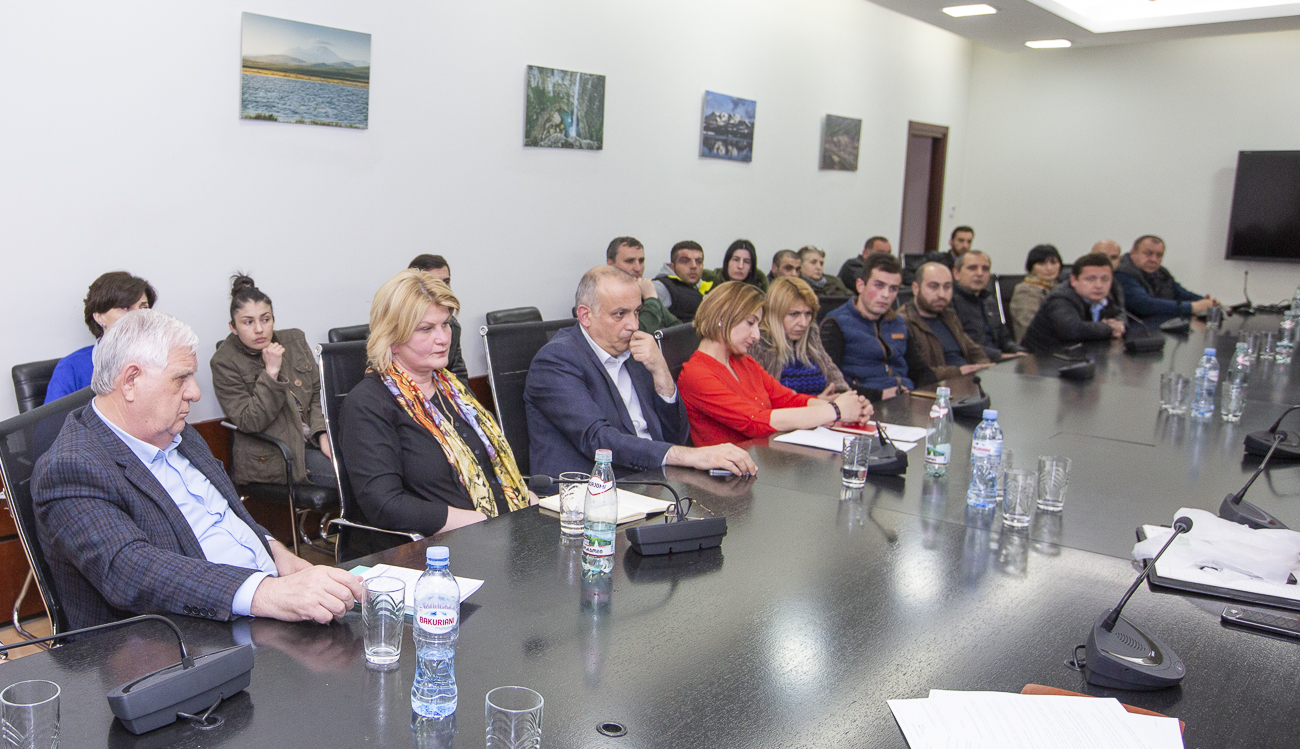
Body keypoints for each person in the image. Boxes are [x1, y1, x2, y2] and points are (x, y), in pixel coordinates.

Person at [31, 310, 363, 630]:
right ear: (131, 381)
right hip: (177, 637)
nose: (195, 392)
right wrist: (267, 593)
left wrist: (274, 550)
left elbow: (226, 514)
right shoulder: (70, 467)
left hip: (257, 600)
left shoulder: (175, 430)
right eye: (181, 378)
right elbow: (129, 569)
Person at [340, 270, 535, 536]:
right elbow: (385, 505)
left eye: (445, 324)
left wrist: (527, 501)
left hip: (502, 530)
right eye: (426, 329)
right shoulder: (367, 403)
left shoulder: (454, 390)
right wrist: (480, 522)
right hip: (441, 546)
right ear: (392, 339)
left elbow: (491, 470)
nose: (443, 338)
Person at [525, 267, 756, 480]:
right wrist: (691, 456)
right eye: (620, 314)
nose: (634, 325)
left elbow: (676, 436)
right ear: (585, 316)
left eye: (637, 312)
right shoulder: (556, 360)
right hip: (591, 491)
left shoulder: (636, 351)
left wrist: (661, 371)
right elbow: (598, 440)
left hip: (653, 481)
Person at [678, 282, 872, 447]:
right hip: (731, 473)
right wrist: (836, 410)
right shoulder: (696, 374)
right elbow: (754, 422)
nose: (756, 335)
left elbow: (788, 400)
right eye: (750, 323)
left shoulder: (743, 362)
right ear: (722, 318)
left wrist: (852, 409)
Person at [211, 274, 335, 490]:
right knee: (354, 478)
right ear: (233, 326)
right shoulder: (224, 362)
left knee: (374, 465)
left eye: (265, 319)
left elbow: (318, 394)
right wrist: (271, 373)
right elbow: (250, 421)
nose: (259, 329)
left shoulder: (295, 340)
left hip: (313, 440)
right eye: (248, 322)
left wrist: (322, 434)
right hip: (278, 456)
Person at [821, 253, 936, 400]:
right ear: (860, 285)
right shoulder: (836, 323)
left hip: (906, 398)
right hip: (866, 402)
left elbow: (921, 371)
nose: (886, 295)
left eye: (893, 289)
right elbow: (831, 383)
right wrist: (880, 395)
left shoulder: (898, 323)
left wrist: (929, 395)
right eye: (879, 286)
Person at [45, 272, 157, 404]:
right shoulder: (71, 367)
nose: (139, 316)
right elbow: (53, 417)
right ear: (99, 317)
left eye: (144, 308)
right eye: (126, 308)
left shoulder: (160, 359)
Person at [749, 277, 850, 397]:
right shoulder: (757, 343)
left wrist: (849, 399)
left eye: (808, 313)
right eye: (794, 314)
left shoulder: (811, 335)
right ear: (775, 314)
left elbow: (837, 382)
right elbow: (759, 400)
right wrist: (815, 403)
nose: (804, 323)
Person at [900, 263, 996, 380]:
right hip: (939, 386)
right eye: (933, 287)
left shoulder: (949, 316)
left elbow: (974, 350)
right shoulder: (903, 322)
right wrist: (958, 372)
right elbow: (916, 372)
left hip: (969, 380)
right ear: (916, 288)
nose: (941, 294)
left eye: (947, 287)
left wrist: (983, 366)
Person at [1020, 253, 1127, 353]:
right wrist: (1109, 328)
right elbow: (1072, 330)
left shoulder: (1106, 296)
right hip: (1043, 359)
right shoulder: (1060, 298)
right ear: (1073, 280)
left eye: (1105, 279)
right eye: (1091, 279)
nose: (1099, 285)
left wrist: (1120, 325)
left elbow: (1121, 313)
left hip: (1080, 355)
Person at [1114, 235, 1218, 319]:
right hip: (1133, 331)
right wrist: (1192, 307)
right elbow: (1144, 305)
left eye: (1159, 255)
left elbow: (1179, 293)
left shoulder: (1161, 272)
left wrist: (1205, 302)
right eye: (1148, 253)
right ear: (1132, 253)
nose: (1154, 259)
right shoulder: (1122, 272)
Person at [407, 254, 470, 389]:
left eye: (446, 281)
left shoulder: (452, 327)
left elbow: (460, 376)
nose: (443, 288)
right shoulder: (398, 327)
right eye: (426, 328)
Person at [950, 251, 1025, 361]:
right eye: (972, 268)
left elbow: (1004, 338)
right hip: (972, 362)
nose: (980, 273)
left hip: (998, 360)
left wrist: (1019, 351)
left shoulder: (989, 300)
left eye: (985, 269)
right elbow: (961, 344)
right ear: (956, 273)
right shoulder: (949, 301)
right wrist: (1000, 356)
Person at [606, 236, 680, 332]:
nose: (637, 268)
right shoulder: (603, 295)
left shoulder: (642, 289)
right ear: (611, 264)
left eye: (641, 261)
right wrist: (651, 298)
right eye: (629, 261)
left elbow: (678, 327)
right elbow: (636, 333)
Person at [1009, 244, 1063, 342]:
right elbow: (1031, 327)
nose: (1049, 268)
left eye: (1053, 263)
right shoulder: (1025, 291)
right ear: (1031, 267)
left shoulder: (1059, 288)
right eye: (1042, 264)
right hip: (1037, 345)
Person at [653, 241, 714, 322]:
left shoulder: (709, 287)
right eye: (685, 261)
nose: (694, 266)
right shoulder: (660, 287)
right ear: (672, 267)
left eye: (698, 261)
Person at [1091, 239, 1127, 313]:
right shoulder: (1076, 281)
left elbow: (1120, 312)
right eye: (1102, 256)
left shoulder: (1116, 283)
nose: (1108, 261)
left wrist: (1118, 320)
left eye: (1114, 257)